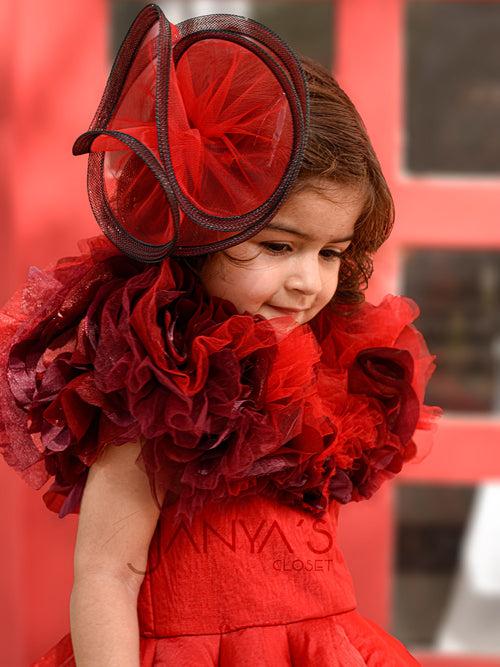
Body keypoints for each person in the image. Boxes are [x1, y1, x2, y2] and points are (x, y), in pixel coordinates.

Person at [0, 5, 442, 666]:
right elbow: (106, 573)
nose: (307, 281)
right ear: (199, 235)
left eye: (330, 253)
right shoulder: (166, 390)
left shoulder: (324, 373)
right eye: (280, 244)